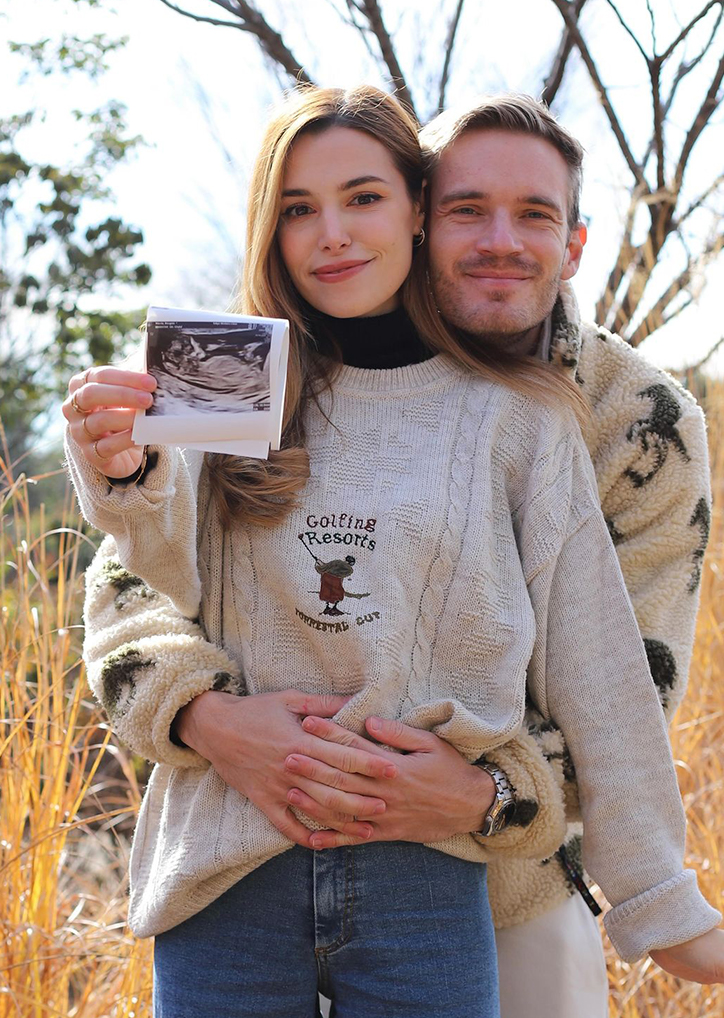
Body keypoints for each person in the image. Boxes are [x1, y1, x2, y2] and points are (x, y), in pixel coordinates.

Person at [62, 86, 723, 1017]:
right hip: (229, 862)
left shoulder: (581, 411)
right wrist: (128, 482)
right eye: (298, 209)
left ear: (407, 212)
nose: (332, 232)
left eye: (364, 198)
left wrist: (588, 851)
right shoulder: (226, 368)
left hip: (472, 870)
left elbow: (611, 673)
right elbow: (143, 579)